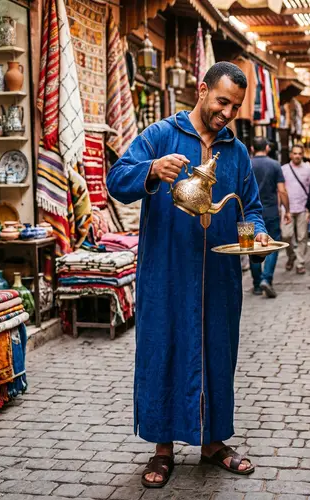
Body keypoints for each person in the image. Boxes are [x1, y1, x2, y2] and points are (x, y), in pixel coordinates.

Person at [107, 62, 268, 488]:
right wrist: (151, 170)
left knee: (217, 353)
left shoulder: (235, 151)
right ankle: (162, 450)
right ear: (201, 90)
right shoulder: (161, 135)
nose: (227, 113)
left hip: (219, 276)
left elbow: (250, 207)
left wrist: (260, 232)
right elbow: (116, 179)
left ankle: (213, 444)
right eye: (222, 101)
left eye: (235, 106)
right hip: (166, 273)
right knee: (162, 351)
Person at [250, 137, 291, 297]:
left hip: (249, 212)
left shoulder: (248, 163)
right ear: (267, 148)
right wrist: (287, 210)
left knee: (252, 246)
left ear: (253, 148)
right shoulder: (274, 165)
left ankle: (256, 283)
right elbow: (282, 190)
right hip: (270, 211)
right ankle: (266, 278)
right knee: (272, 244)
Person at [281, 144, 310, 274]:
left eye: (299, 153)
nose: (297, 156)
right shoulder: (283, 169)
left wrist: (309, 209)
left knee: (302, 237)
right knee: (286, 235)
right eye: (295, 153)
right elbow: (280, 189)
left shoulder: (308, 169)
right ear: (291, 155)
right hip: (287, 208)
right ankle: (291, 255)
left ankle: (300, 262)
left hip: (302, 207)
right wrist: (281, 208)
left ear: (302, 155)